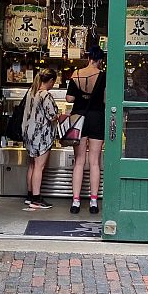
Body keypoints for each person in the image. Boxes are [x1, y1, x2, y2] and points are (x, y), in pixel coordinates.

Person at [66, 45, 106, 214]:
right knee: (95, 162)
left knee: (79, 161)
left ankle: (76, 202)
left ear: (89, 58)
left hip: (78, 119)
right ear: (100, 60)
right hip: (97, 118)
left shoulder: (76, 74)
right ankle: (94, 202)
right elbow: (106, 100)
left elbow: (69, 99)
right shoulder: (103, 76)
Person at [22, 67, 63, 210]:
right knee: (39, 166)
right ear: (50, 80)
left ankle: (29, 196)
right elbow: (52, 116)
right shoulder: (45, 95)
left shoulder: (31, 92)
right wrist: (59, 115)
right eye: (54, 81)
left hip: (29, 134)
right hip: (41, 136)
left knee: (32, 165)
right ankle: (36, 199)